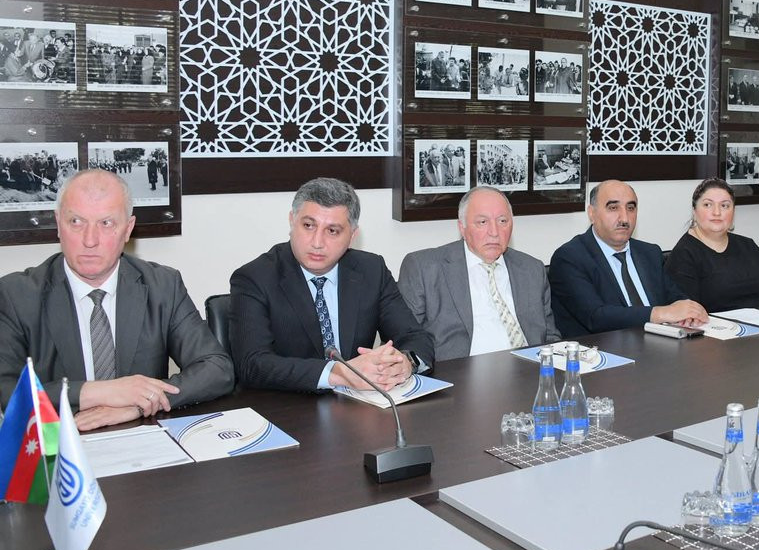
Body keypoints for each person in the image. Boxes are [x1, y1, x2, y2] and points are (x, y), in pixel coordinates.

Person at [0, 169, 234, 430]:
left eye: (106, 223)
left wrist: (140, 403)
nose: (90, 240)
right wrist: (99, 392)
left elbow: (217, 368)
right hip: (60, 441)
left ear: (128, 229)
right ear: (58, 224)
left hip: (141, 439)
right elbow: (8, 393)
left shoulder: (162, 285)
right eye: (76, 222)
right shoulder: (16, 294)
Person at [229, 178, 434, 392]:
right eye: (308, 226)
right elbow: (252, 364)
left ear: (352, 235)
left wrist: (405, 363)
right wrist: (338, 373)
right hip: (288, 404)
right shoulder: (254, 278)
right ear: (292, 221)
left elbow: (415, 337)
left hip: (360, 403)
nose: (317, 242)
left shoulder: (372, 270)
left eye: (333, 231)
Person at [398, 187, 559, 359]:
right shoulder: (425, 268)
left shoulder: (531, 269)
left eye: (502, 221)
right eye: (482, 222)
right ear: (462, 227)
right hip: (460, 371)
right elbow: (406, 340)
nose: (494, 232)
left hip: (531, 369)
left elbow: (550, 337)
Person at [549, 180, 707, 336]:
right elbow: (596, 317)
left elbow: (677, 299)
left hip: (660, 344)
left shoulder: (649, 253)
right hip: (602, 348)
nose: (624, 218)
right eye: (613, 208)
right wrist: (659, 313)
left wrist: (687, 311)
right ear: (592, 213)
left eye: (630, 208)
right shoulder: (570, 258)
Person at [665, 178, 759, 312]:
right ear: (694, 211)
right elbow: (689, 313)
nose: (717, 212)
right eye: (708, 205)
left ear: (733, 211)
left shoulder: (748, 245)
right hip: (715, 325)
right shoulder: (684, 254)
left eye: (724, 206)